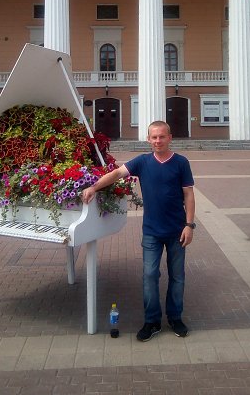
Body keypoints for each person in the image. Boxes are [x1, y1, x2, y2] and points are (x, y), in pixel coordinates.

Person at [82, 120, 196, 341]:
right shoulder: (142, 162)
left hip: (177, 231)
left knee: (178, 277)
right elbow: (117, 174)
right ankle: (152, 321)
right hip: (152, 232)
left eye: (162, 136)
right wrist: (94, 187)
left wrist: (189, 225)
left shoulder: (181, 163)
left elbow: (189, 195)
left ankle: (175, 318)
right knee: (149, 276)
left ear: (170, 138)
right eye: (154, 137)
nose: (158, 141)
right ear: (148, 139)